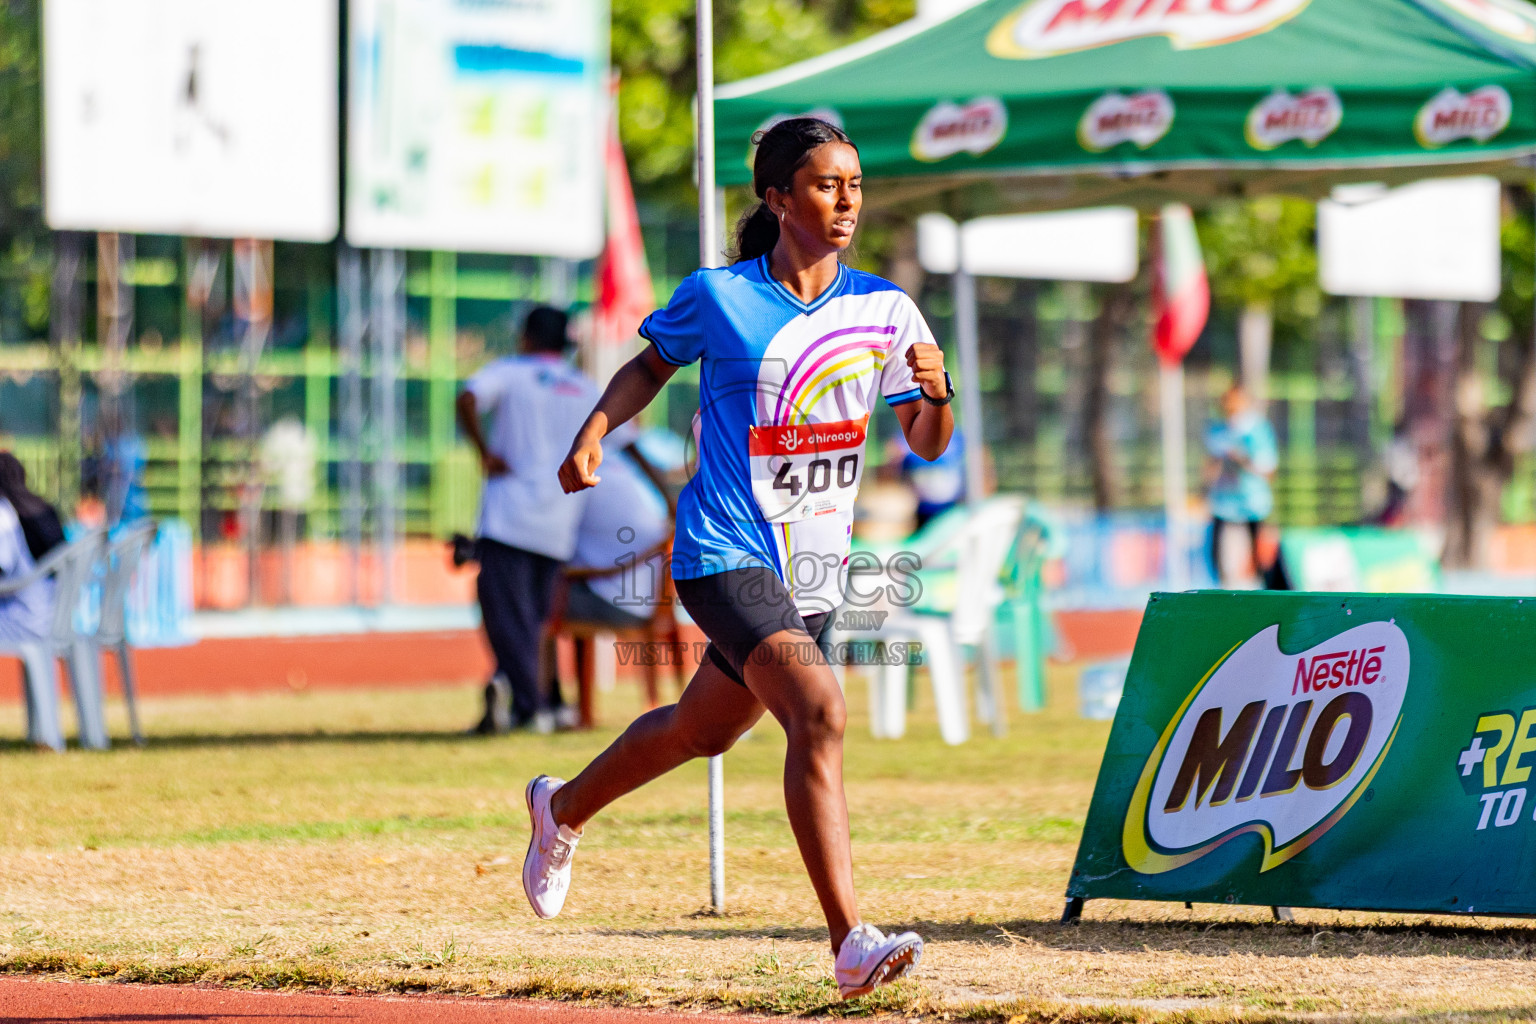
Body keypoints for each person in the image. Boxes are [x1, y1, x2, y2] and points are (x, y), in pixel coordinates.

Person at [529, 118, 955, 1000]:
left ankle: (560, 807)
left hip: (815, 570)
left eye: (856, 185)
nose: (848, 202)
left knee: (704, 731)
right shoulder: (718, 295)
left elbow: (927, 443)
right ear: (777, 198)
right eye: (828, 184)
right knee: (820, 713)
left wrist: (937, 388)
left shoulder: (886, 309)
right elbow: (650, 367)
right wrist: (593, 433)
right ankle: (849, 942)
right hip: (723, 548)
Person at [457, 307, 599, 734]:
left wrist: (482, 451)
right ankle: (536, 702)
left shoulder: (512, 372)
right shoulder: (584, 386)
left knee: (505, 617)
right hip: (560, 518)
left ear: (526, 338)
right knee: (535, 621)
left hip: (509, 517)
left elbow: (466, 398)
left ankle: (530, 705)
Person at [543, 421, 675, 723]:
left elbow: (557, 546)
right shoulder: (635, 475)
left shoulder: (586, 474)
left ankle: (542, 706)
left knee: (537, 603)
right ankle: (569, 707)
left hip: (614, 601)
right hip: (654, 602)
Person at [1204, 385, 1278, 585]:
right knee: (1217, 548)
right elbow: (1210, 464)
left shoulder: (1257, 430)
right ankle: (1219, 587)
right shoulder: (1218, 430)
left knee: (1256, 549)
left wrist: (1242, 459)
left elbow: (1268, 469)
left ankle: (1261, 587)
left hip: (1252, 501)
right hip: (1223, 501)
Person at [0, 452, 61, 644]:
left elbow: (3, 568)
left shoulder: (6, 514)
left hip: (21, 620)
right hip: (55, 615)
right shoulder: (43, 508)